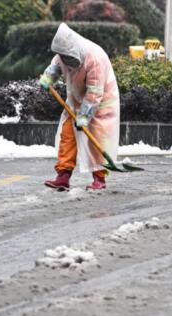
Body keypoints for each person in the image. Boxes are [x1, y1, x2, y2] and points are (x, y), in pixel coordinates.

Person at [39, 23, 120, 191]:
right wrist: (48, 78)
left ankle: (99, 177)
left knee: (96, 137)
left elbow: (95, 92)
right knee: (67, 135)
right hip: (75, 100)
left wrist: (85, 115)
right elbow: (55, 67)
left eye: (67, 58)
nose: (66, 61)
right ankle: (63, 176)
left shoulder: (94, 59)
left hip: (101, 101)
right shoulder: (63, 55)